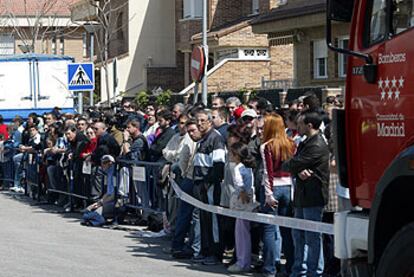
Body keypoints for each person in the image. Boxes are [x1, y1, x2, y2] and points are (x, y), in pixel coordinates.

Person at [283, 111, 330, 277]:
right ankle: (299, 270)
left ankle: (314, 272)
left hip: (313, 196)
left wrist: (295, 167)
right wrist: (298, 170)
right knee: (298, 235)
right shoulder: (306, 142)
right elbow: (294, 165)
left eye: (301, 124)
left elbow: (293, 163)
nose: (298, 126)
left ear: (309, 126)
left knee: (312, 237)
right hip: (302, 195)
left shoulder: (316, 144)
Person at [260, 114, 296, 277]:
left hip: (273, 188)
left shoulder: (267, 146)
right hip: (288, 187)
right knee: (287, 230)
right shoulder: (291, 143)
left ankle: (269, 269)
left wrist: (268, 193)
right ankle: (290, 267)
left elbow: (268, 171)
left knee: (268, 229)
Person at [193, 109, 226, 265]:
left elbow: (219, 165)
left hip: (210, 185)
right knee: (204, 220)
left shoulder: (215, 139)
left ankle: (215, 253)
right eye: (197, 120)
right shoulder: (203, 139)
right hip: (201, 184)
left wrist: (209, 183)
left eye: (202, 121)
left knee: (212, 220)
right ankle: (206, 250)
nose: (199, 124)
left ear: (210, 122)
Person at [227, 142, 257, 273]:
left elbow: (239, 183)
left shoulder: (238, 167)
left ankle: (242, 262)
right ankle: (245, 260)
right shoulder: (248, 167)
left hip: (242, 200)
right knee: (244, 231)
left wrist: (242, 192)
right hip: (249, 198)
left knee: (241, 232)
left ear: (236, 155)